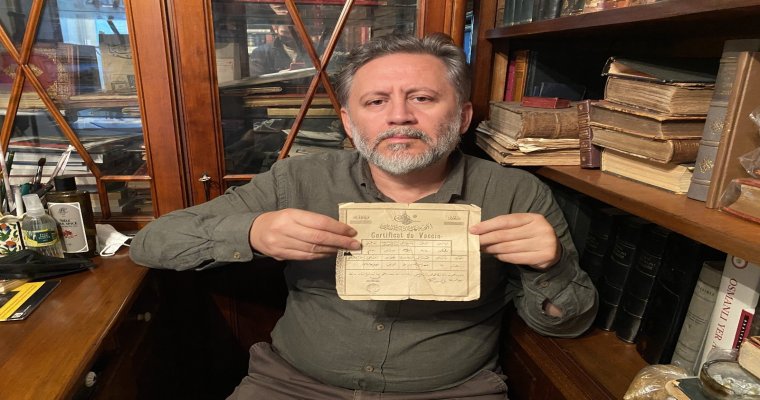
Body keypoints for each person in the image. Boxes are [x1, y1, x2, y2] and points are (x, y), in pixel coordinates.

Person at [130, 33, 597, 399]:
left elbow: (568, 322)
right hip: (291, 387)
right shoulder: (297, 179)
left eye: (423, 98)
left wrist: (550, 266)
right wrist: (253, 231)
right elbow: (153, 242)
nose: (399, 116)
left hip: (448, 392)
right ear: (349, 123)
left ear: (462, 116)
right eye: (376, 102)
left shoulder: (516, 193)